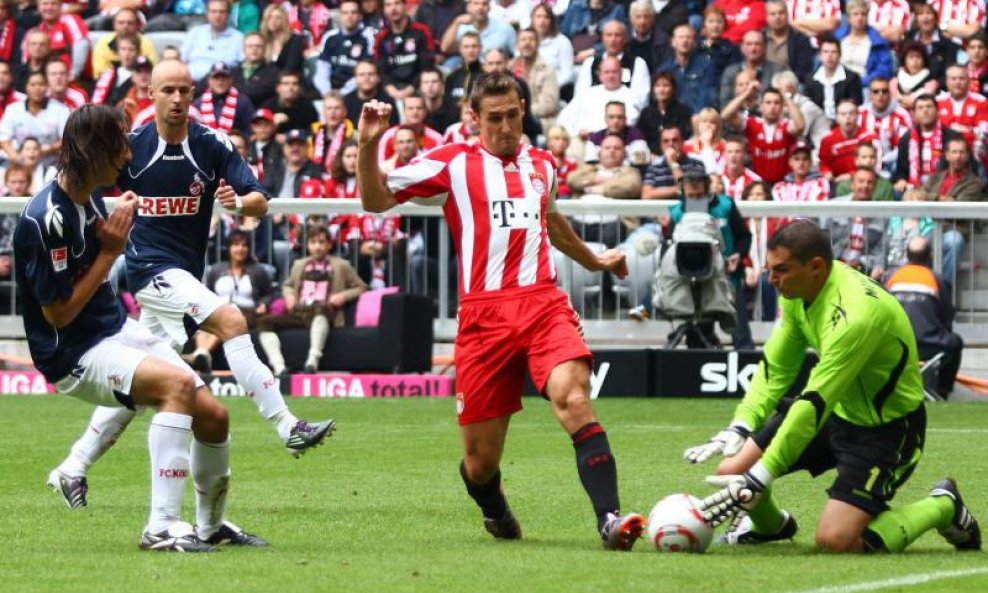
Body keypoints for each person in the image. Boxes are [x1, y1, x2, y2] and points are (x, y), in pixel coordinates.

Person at [356, 71, 645, 549]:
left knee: (573, 399)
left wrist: (594, 260)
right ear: (473, 118)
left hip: (543, 304)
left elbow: (550, 219)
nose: (507, 126)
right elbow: (374, 199)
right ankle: (497, 511)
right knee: (480, 464)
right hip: (483, 317)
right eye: (495, 118)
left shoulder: (543, 164)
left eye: (514, 115)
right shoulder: (452, 164)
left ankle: (610, 519)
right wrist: (368, 147)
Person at [47, 61, 335, 509]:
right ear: (153, 93)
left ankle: (72, 467)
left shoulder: (211, 144)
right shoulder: (132, 147)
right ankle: (285, 424)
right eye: (168, 90)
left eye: (184, 89)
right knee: (232, 319)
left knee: (143, 387)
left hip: (183, 273)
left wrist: (239, 203)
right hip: (149, 271)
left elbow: (259, 199)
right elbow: (87, 183)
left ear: (193, 93)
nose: (177, 98)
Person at [26, 104, 265, 549]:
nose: (128, 152)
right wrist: (110, 253)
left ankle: (211, 527)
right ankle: (160, 526)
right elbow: (57, 316)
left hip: (110, 328)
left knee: (213, 414)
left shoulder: (90, 197)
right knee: (176, 386)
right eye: (119, 142)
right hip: (71, 352)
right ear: (96, 149)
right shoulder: (46, 219)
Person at [687, 219, 981, 554]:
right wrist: (742, 423)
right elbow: (777, 367)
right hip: (834, 410)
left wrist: (761, 477)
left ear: (815, 267)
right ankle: (772, 527)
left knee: (836, 540)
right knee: (731, 470)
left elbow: (814, 402)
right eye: (770, 269)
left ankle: (942, 506)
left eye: (781, 270)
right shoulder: (798, 290)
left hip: (883, 430)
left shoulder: (857, 315)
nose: (773, 280)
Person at [257, 224, 368, 375]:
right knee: (264, 322)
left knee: (322, 308)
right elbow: (287, 285)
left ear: (329, 244)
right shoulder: (299, 264)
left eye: (322, 242)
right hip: (299, 312)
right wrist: (289, 295)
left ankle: (312, 362)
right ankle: (279, 367)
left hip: (325, 312)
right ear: (307, 245)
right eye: (313, 242)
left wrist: (343, 295)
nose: (317, 247)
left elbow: (362, 287)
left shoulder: (342, 265)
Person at [885, 237, 963, 399]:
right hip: (929, 346)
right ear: (930, 255)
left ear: (907, 255)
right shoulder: (937, 280)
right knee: (956, 341)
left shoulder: (890, 277)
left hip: (894, 346)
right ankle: (942, 391)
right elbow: (947, 317)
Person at [180, 0, 245, 82]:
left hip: (221, 85)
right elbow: (181, 60)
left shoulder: (239, 38)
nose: (218, 15)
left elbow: (245, 66)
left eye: (222, 12)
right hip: (190, 84)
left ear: (228, 14)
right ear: (207, 14)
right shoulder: (195, 33)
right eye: (214, 11)